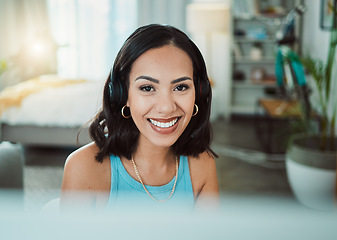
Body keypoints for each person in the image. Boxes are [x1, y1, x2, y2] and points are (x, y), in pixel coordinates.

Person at [60, 24, 219, 211]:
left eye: (180, 87)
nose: (167, 107)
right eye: (147, 88)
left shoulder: (202, 165)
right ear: (122, 94)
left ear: (199, 94)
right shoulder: (83, 168)